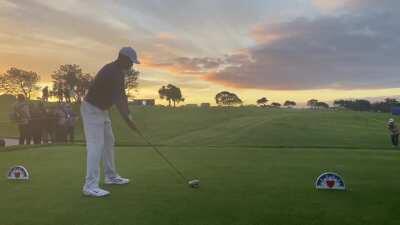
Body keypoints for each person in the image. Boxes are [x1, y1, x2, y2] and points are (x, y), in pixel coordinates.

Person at [81, 47, 140, 197]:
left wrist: (129, 118)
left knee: (108, 141)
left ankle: (110, 176)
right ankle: (90, 186)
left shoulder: (117, 72)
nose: (132, 65)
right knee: (96, 145)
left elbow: (122, 97)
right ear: (123, 59)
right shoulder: (112, 72)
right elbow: (119, 101)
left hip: (102, 110)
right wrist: (129, 121)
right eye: (131, 62)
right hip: (92, 109)